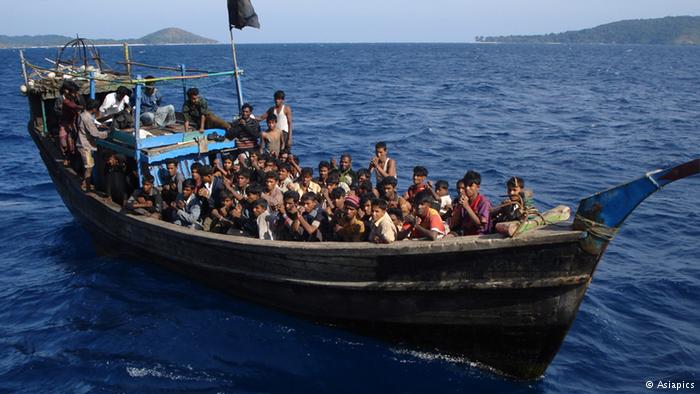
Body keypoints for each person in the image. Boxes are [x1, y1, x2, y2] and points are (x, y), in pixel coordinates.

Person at [76, 99, 109, 191]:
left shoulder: (83, 115)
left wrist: (98, 126)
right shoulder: (87, 118)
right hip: (86, 145)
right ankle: (87, 186)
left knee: (88, 165)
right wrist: (107, 133)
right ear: (94, 109)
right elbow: (94, 133)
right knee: (89, 167)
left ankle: (85, 183)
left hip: (83, 143)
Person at [451, 170, 492, 235]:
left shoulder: (484, 203)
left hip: (479, 235)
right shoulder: (464, 201)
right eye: (466, 185)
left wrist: (467, 207)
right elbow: (453, 224)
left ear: (478, 187)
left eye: (470, 186)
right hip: (465, 233)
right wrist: (459, 207)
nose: (467, 188)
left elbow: (481, 226)